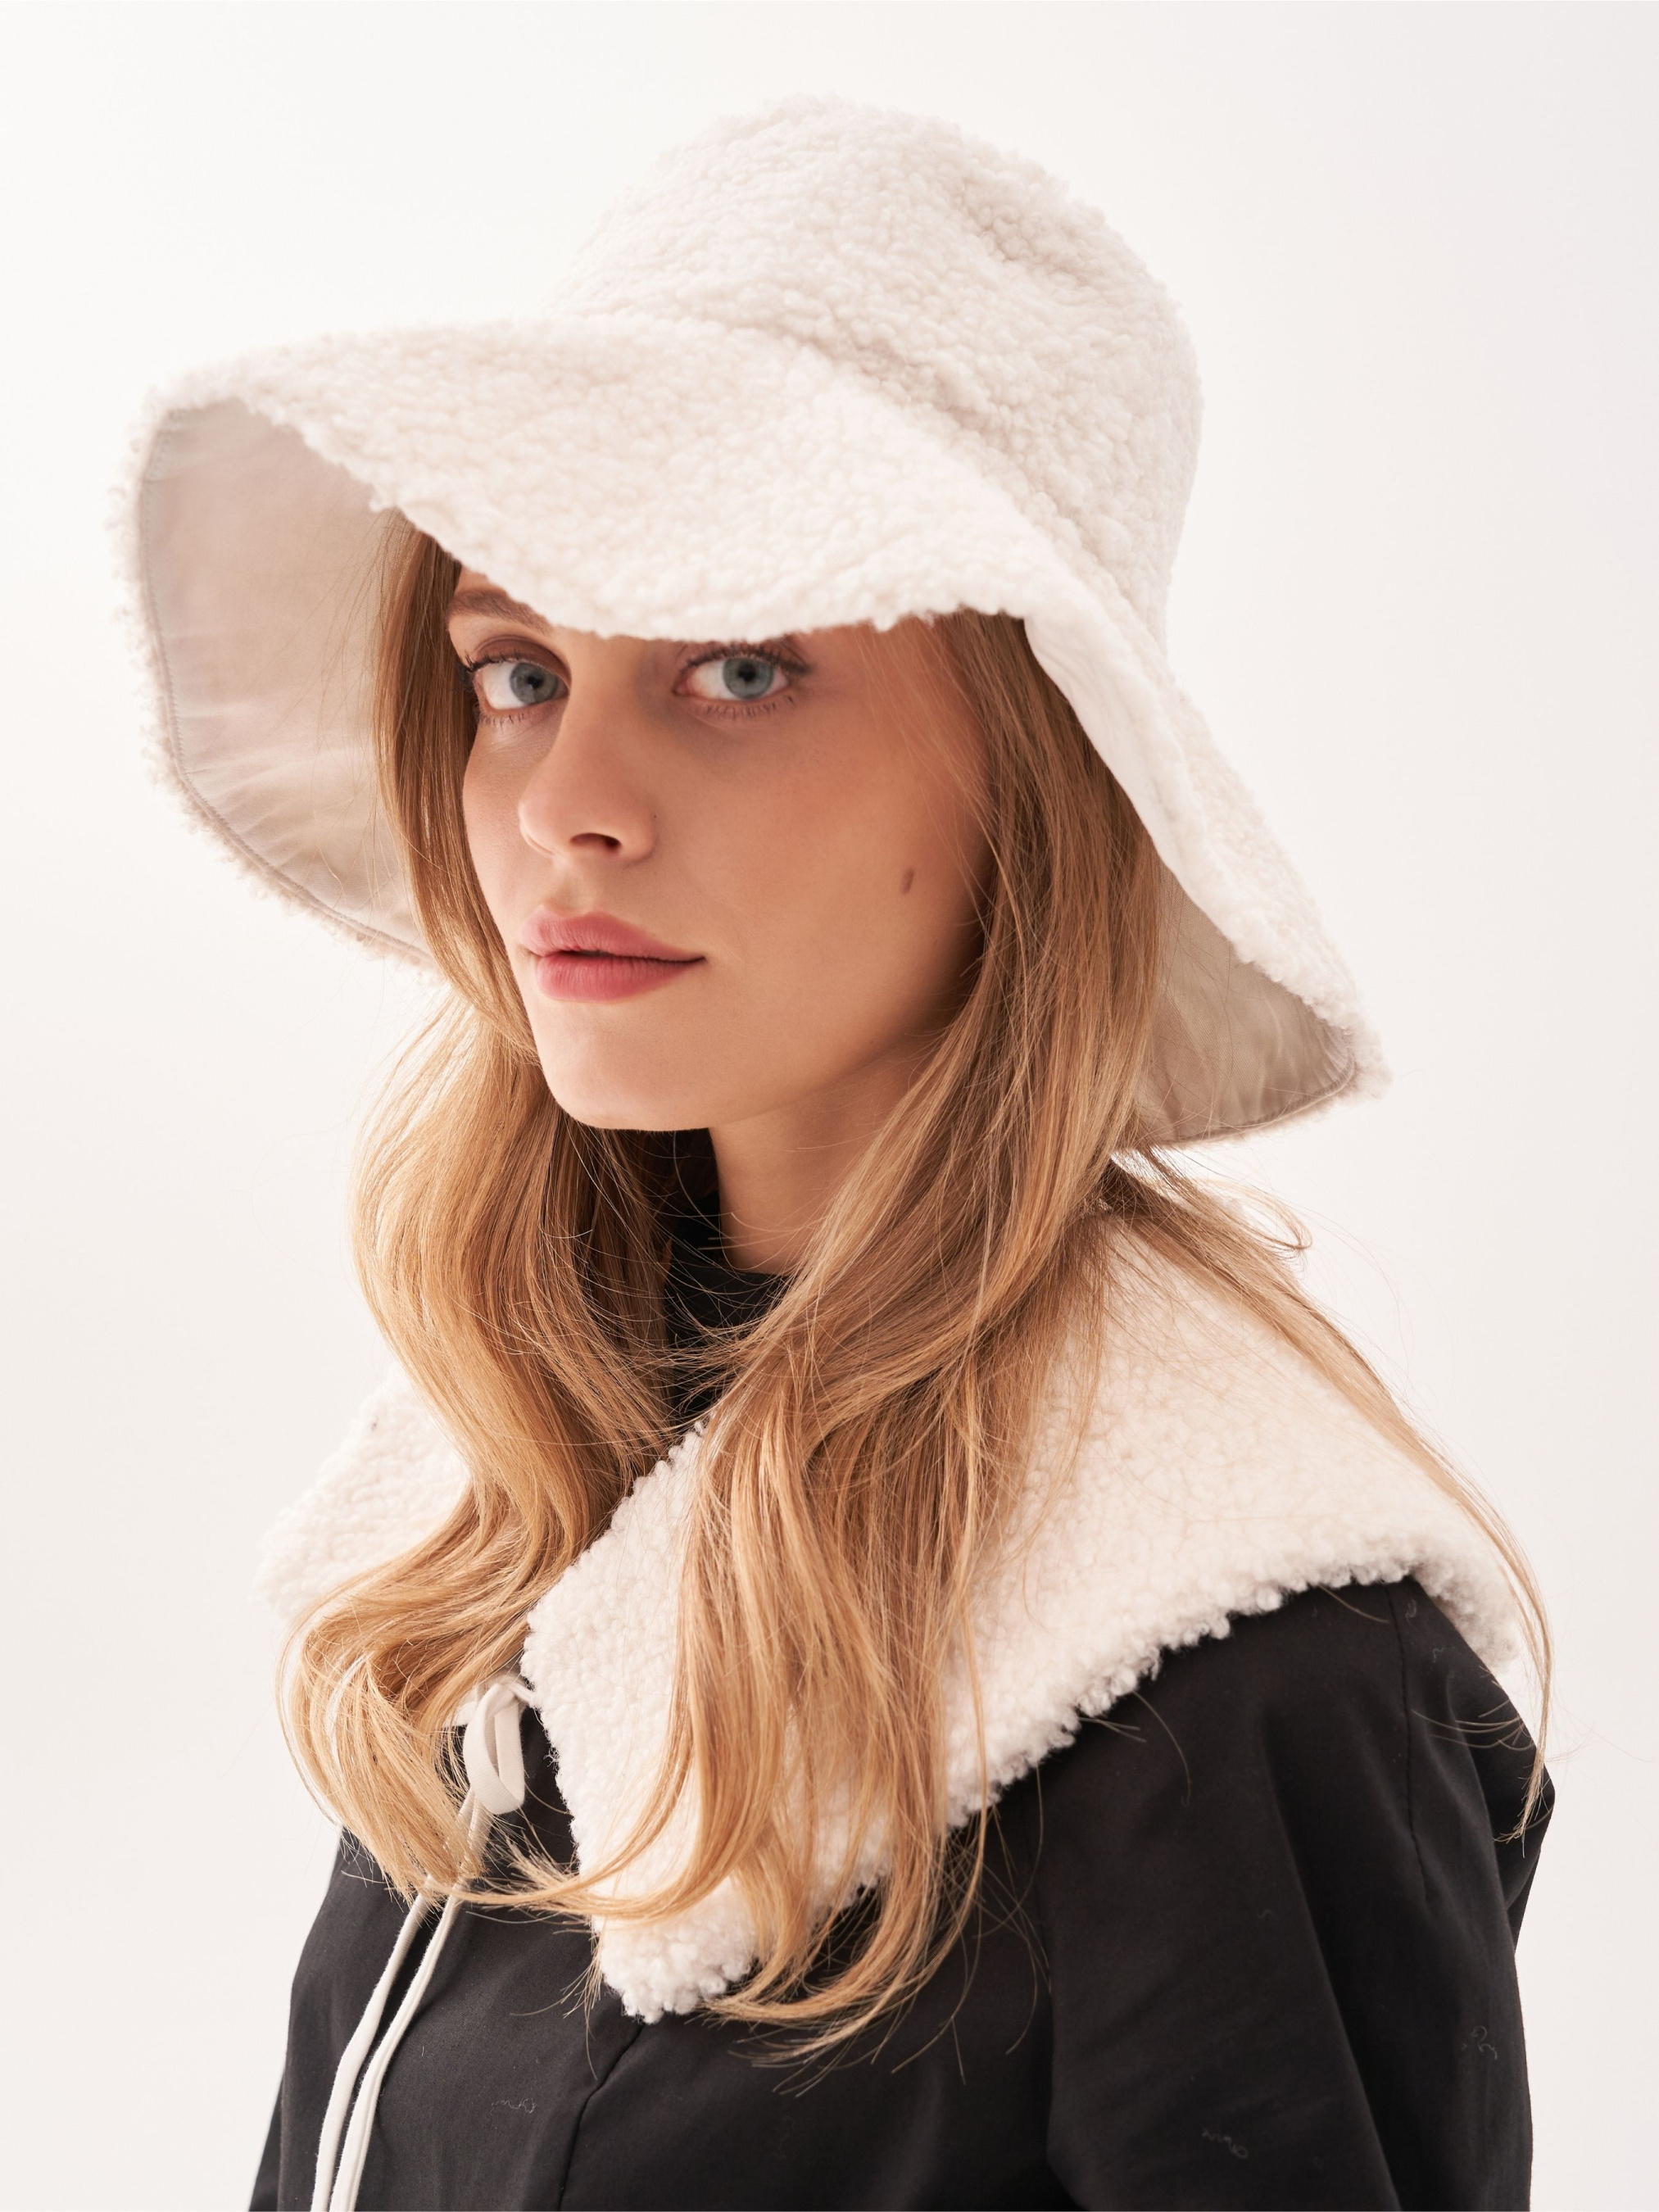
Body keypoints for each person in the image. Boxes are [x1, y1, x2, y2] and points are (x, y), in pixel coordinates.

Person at [127, 97, 1551, 2212]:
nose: (567, 802)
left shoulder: (1227, 1664)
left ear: (1043, 767)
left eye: (737, 666)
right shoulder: (524, 1463)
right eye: (518, 670)